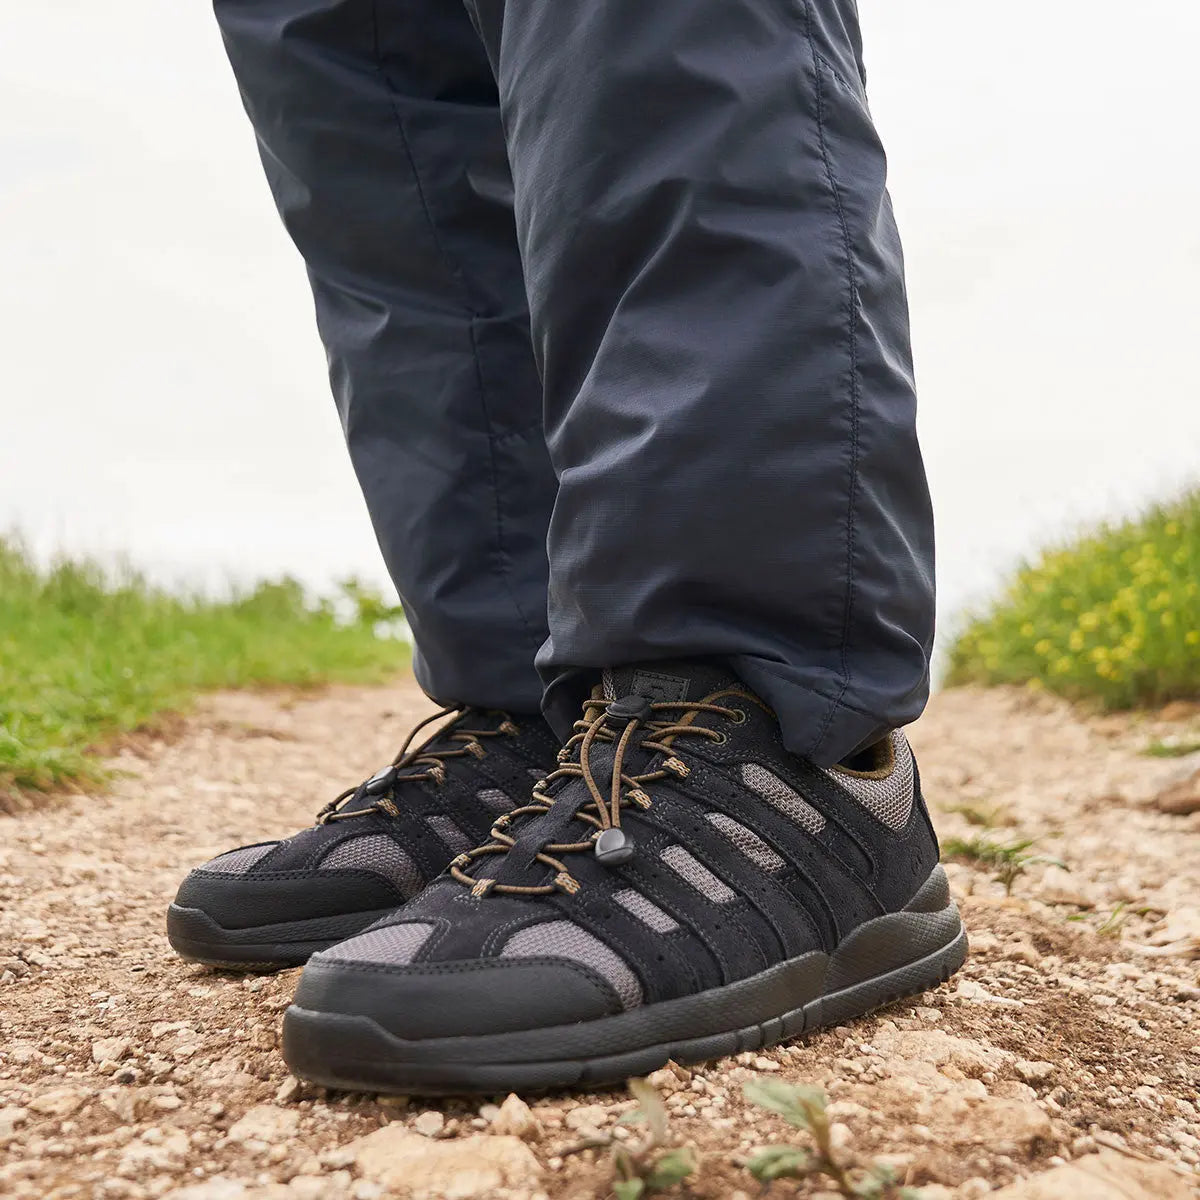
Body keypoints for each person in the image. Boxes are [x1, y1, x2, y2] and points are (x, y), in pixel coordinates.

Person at [168, 0, 965, 1093]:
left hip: (779, 696)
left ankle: (766, 733)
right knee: (368, 104)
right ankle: (542, 722)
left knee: (645, 48)